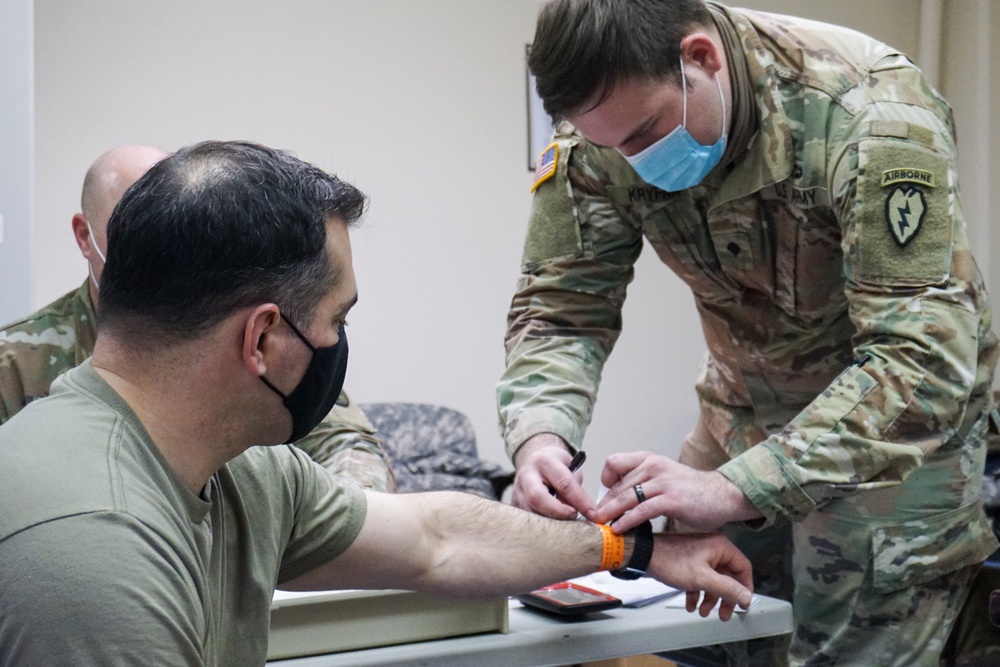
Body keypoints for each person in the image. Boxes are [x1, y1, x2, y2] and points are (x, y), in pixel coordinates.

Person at [0, 140, 753, 665]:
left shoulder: (230, 468)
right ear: (262, 338)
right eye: (336, 319)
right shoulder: (97, 546)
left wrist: (639, 549)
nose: (335, 343)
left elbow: (437, 537)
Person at [498, 1, 998, 665]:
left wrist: (737, 487)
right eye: (612, 146)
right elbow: (560, 308)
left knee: (850, 649)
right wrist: (541, 437)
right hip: (743, 406)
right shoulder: (596, 132)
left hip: (893, 438)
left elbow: (921, 362)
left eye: (646, 133)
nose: (633, 161)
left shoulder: (870, 111)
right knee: (701, 636)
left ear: (701, 58)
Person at [0, 144, 395, 491]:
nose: (158, 247)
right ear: (85, 237)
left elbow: (345, 445)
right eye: (129, 229)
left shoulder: (243, 329)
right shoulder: (15, 361)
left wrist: (336, 528)